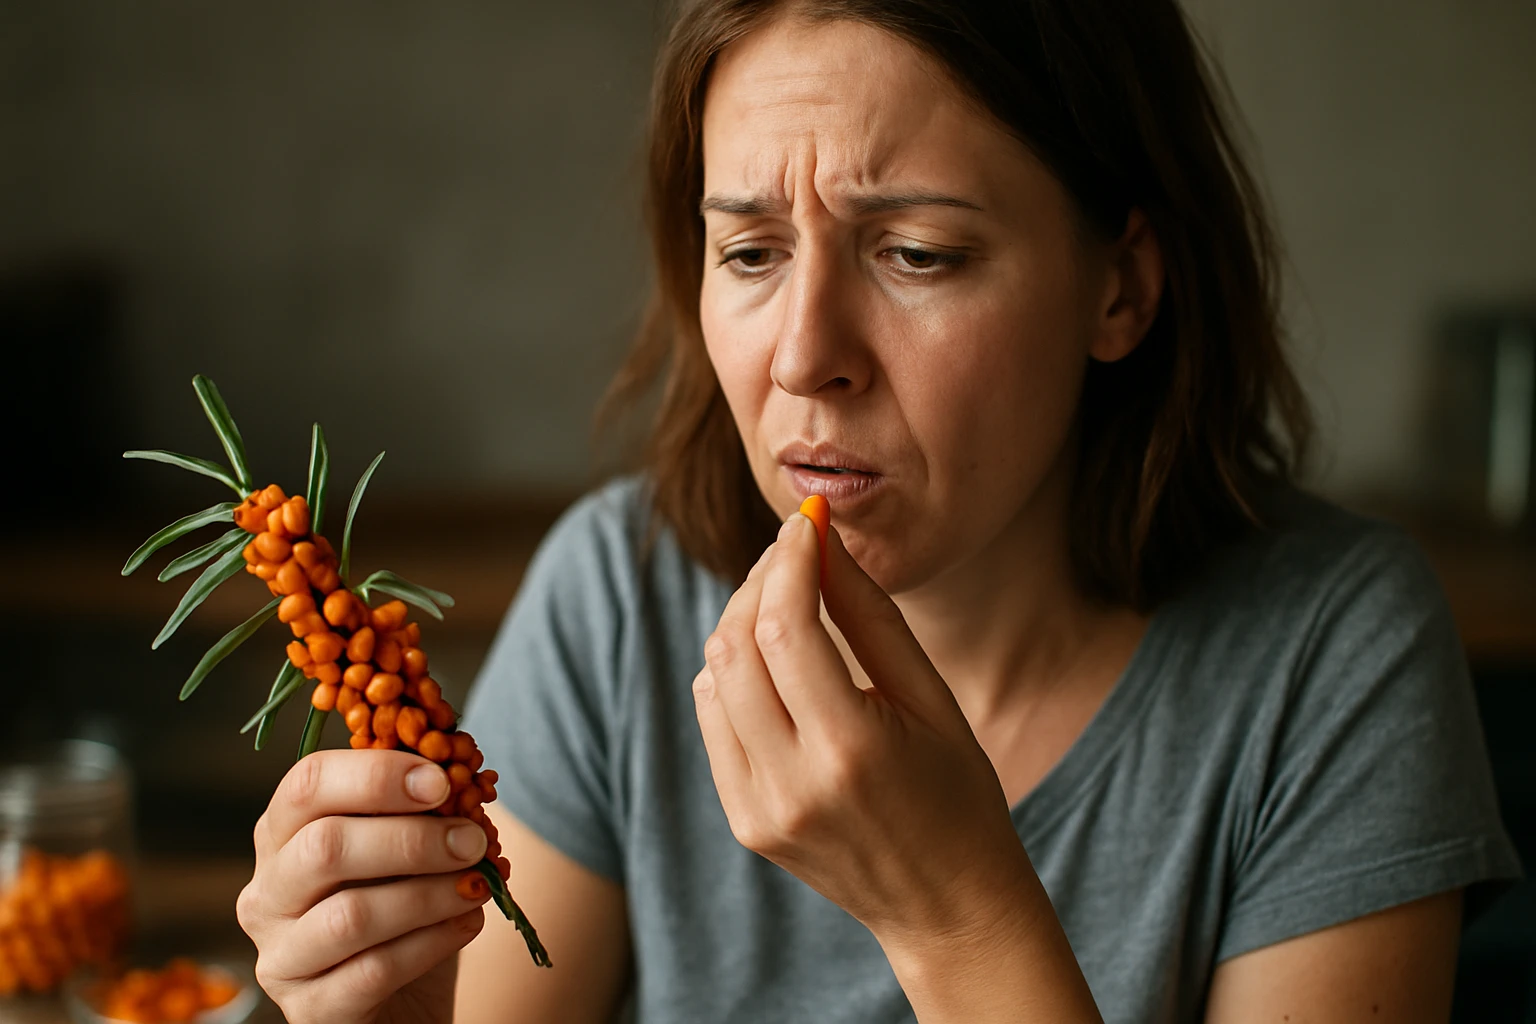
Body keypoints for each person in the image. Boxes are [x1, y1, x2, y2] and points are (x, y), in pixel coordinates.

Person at [234, 0, 1523, 1020]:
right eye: (749, 251)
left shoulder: (1335, 655)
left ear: (1121, 288)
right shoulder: (616, 603)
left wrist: (956, 914)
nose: (804, 358)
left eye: (916, 254)